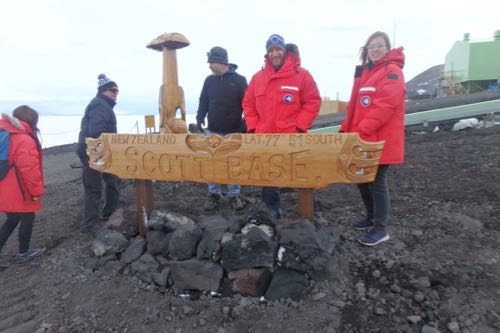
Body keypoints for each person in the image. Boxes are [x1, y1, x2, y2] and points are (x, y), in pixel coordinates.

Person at [242, 34, 321, 218]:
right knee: (267, 177)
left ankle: (309, 210)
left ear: (284, 51)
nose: (275, 53)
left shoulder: (302, 75)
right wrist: (254, 128)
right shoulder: (257, 78)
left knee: (300, 173)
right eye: (271, 50)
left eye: (278, 49)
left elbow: (313, 102)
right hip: (265, 139)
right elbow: (248, 104)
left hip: (292, 138)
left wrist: (299, 126)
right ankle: (272, 211)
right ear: (267, 54)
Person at [340, 31, 406, 246]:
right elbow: (355, 108)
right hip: (363, 138)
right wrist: (347, 130)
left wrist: (361, 131)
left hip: (380, 140)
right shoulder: (367, 73)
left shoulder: (392, 72)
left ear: (387, 48)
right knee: (362, 179)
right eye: (371, 47)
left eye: (379, 45)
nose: (375, 49)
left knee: (377, 181)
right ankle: (371, 217)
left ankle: (381, 228)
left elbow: (385, 106)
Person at [196, 46, 248, 211]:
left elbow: (247, 105)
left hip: (234, 131)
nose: (209, 66)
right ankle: (214, 195)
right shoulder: (209, 80)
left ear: (221, 62)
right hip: (212, 130)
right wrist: (199, 118)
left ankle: (233, 195)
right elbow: (203, 100)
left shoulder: (239, 80)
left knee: (234, 163)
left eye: (211, 62)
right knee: (212, 163)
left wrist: (244, 124)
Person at [0, 106, 46, 268]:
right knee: (28, 217)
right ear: (32, 120)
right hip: (18, 189)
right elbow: (29, 170)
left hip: (3, 186)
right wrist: (37, 191)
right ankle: (23, 253)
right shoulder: (24, 139)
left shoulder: (4, 133)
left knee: (12, 218)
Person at [76, 74, 121, 234]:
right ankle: (89, 227)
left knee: (112, 183)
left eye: (117, 90)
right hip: (94, 153)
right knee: (94, 190)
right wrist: (103, 150)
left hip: (101, 152)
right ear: (103, 91)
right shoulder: (100, 106)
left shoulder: (102, 105)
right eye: (113, 90)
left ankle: (108, 213)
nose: (116, 93)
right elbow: (96, 131)